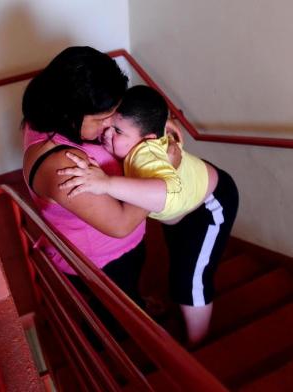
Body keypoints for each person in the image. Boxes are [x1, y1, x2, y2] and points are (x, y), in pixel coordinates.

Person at [58, 85, 239, 346]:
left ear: (148, 138)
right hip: (186, 208)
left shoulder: (148, 154)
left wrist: (105, 183)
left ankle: (198, 346)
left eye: (117, 131)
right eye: (108, 125)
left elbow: (167, 194)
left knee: (191, 278)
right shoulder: (137, 138)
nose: (107, 134)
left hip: (211, 206)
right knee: (180, 262)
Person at [22, 47, 181, 336]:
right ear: (70, 110)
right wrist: (162, 175)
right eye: (101, 118)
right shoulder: (64, 165)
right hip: (104, 260)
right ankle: (116, 352)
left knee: (126, 297)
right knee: (114, 316)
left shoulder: (45, 116)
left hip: (112, 252)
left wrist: (150, 125)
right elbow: (120, 225)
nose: (110, 124)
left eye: (113, 114)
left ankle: (136, 307)